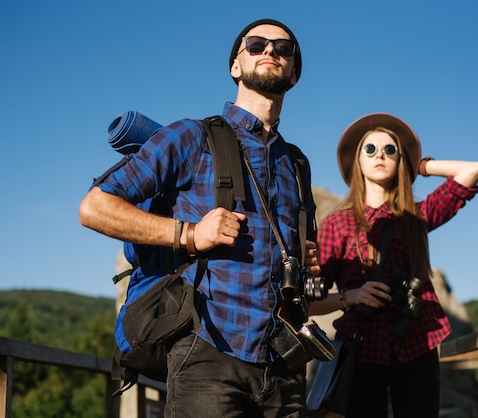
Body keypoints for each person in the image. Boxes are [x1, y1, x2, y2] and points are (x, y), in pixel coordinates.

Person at [79, 19, 321, 418]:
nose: (270, 52)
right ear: (235, 66)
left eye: (284, 48)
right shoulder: (190, 137)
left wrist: (304, 258)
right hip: (208, 354)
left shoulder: (297, 164)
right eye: (256, 44)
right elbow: (94, 207)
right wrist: (189, 234)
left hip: (285, 365)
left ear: (293, 72)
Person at [309, 113, 478, 418]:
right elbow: (309, 302)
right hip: (360, 350)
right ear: (357, 161)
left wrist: (418, 164)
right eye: (370, 149)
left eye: (390, 150)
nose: (380, 155)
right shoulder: (338, 223)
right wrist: (353, 296)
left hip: (416, 343)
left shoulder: (416, 216)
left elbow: (471, 171)